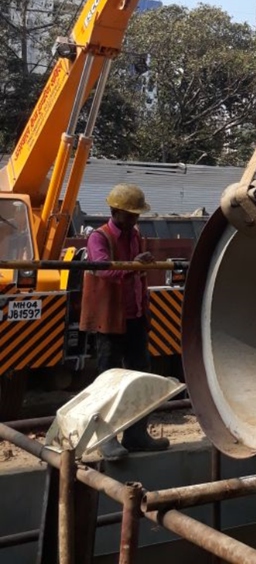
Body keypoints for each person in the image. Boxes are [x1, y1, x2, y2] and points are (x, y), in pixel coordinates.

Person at [79, 183, 170, 460]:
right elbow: (104, 270)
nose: (134, 220)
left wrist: (140, 264)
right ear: (115, 212)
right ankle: (106, 439)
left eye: (136, 215)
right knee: (108, 380)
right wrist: (134, 266)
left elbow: (136, 272)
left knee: (139, 377)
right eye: (130, 215)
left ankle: (136, 434)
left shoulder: (135, 236)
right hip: (110, 321)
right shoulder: (99, 238)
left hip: (136, 318)